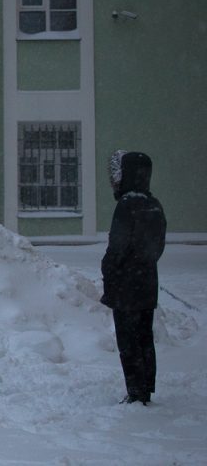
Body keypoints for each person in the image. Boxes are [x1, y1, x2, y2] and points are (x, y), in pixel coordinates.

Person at [101, 150, 167, 406]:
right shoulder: (154, 204)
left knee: (128, 341)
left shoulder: (126, 205)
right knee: (144, 337)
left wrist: (110, 269)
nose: (115, 179)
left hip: (126, 285)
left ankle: (135, 391)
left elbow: (117, 247)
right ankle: (147, 386)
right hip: (147, 281)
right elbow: (158, 246)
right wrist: (144, 263)